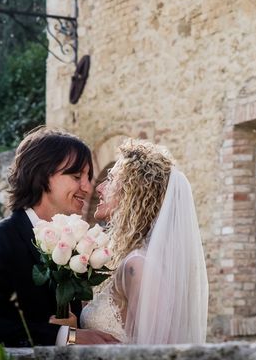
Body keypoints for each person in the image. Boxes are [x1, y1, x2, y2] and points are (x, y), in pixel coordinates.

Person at [0, 127, 119, 347]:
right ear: (41, 174)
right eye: (76, 176)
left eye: (88, 177)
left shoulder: (78, 245)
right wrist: (65, 336)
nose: (87, 186)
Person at [78, 139, 208, 343]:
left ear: (132, 193)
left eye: (110, 179)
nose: (100, 188)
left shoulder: (137, 265)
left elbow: (161, 351)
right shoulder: (122, 260)